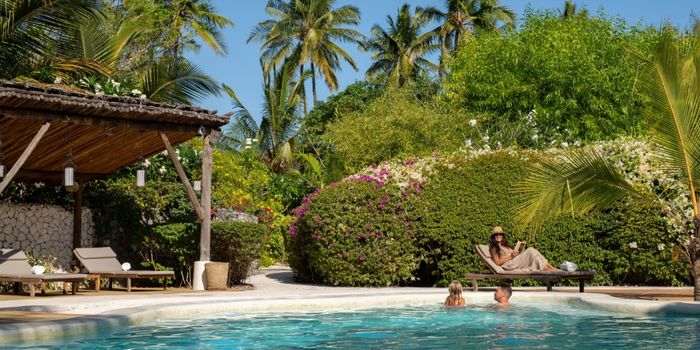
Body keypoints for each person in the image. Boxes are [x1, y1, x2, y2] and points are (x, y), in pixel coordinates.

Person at [489, 226, 560, 272]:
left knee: (535, 253)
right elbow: (497, 262)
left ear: (502, 236)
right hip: (508, 265)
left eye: (500, 234)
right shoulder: (494, 248)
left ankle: (553, 268)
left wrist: (518, 252)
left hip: (514, 261)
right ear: (494, 237)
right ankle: (550, 269)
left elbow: (514, 254)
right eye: (496, 234)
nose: (498, 236)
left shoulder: (506, 246)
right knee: (531, 250)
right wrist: (511, 256)